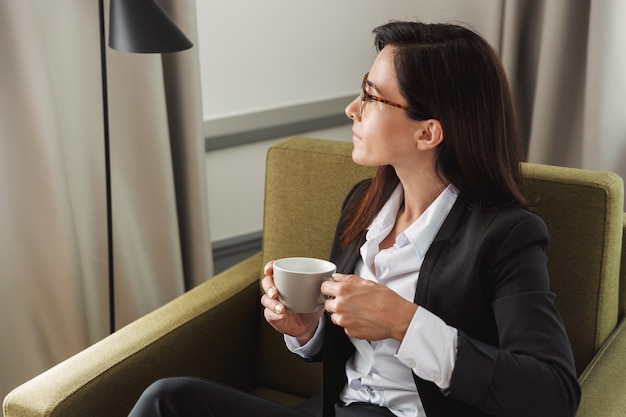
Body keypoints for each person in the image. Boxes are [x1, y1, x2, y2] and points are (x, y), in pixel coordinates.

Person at [127, 20, 581, 417]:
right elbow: (348, 351)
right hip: (341, 409)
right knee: (169, 400)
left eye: (371, 96)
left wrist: (405, 322)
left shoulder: (506, 235)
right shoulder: (364, 203)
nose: (352, 109)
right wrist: (307, 330)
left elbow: (552, 394)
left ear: (428, 132)